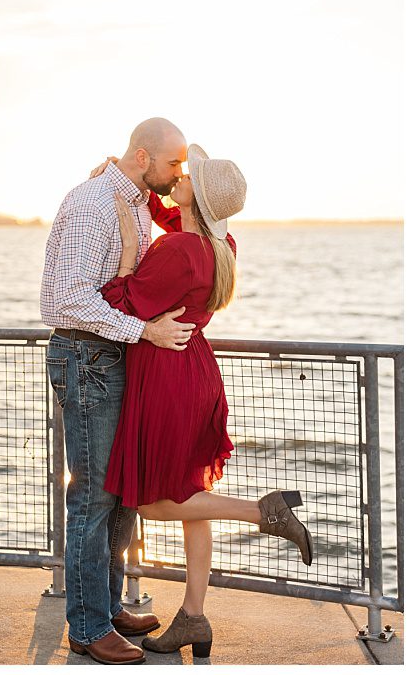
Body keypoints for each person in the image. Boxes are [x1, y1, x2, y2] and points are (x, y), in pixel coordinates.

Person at [95, 145, 313, 658]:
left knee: (150, 499)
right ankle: (193, 616)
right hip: (196, 373)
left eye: (188, 174)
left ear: (199, 197)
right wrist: (138, 192)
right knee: (193, 500)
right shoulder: (220, 242)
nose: (182, 176)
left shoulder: (176, 252)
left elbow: (118, 300)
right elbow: (177, 216)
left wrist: (130, 247)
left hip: (167, 379)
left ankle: (263, 512)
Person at [40, 117, 199, 665]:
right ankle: (86, 626)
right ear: (140, 154)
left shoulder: (132, 198)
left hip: (112, 356)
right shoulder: (92, 203)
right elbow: (68, 300)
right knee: (93, 496)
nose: (179, 171)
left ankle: (105, 608)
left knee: (120, 490)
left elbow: (193, 224)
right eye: (174, 162)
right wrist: (147, 331)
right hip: (86, 356)